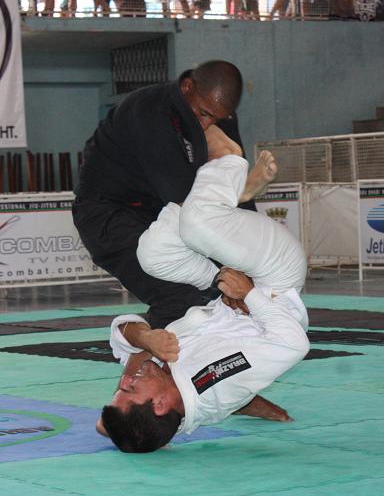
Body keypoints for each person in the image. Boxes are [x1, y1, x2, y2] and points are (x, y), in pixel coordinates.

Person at [98, 136, 309, 453]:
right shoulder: (211, 384)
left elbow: (121, 329)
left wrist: (146, 340)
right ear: (160, 404)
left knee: (153, 254)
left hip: (227, 287)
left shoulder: (165, 381)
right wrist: (249, 294)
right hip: (275, 280)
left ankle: (228, 200)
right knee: (198, 222)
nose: (124, 383)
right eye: (129, 391)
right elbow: (293, 343)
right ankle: (229, 162)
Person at [73, 61, 254, 330]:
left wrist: (249, 261)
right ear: (187, 87)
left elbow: (233, 181)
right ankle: (144, 364)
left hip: (159, 210)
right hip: (108, 214)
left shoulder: (218, 113)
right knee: (180, 295)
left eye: (218, 118)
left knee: (237, 287)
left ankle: (181, 362)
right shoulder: (148, 111)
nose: (208, 124)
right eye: (203, 113)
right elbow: (187, 200)